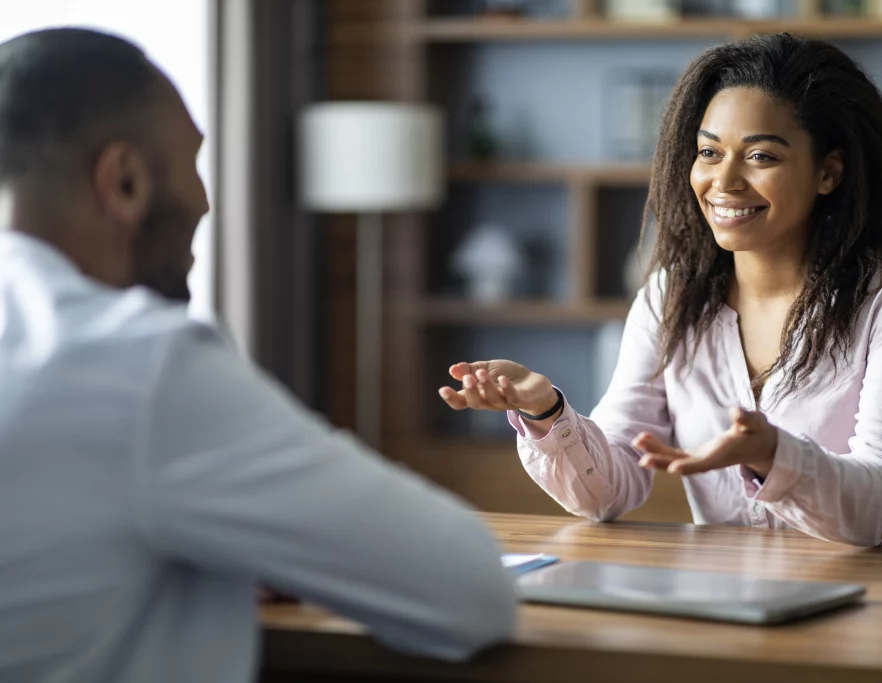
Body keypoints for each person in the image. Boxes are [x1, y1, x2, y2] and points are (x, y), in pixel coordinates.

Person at [0, 28, 517, 683]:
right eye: (193, 162)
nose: (206, 200)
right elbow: (472, 591)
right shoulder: (138, 362)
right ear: (124, 180)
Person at [439, 32, 882, 548]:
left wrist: (774, 455)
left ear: (828, 171)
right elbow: (607, 492)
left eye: (761, 158)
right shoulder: (668, 297)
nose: (723, 181)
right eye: (709, 152)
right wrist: (547, 412)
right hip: (737, 599)